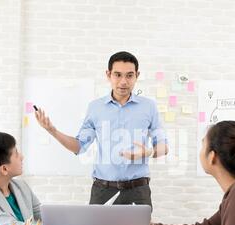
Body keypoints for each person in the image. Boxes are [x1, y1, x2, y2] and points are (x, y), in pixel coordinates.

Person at [35, 51, 168, 208]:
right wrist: (53, 131)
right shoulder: (95, 108)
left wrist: (148, 152)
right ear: (108, 74)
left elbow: (163, 147)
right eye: (117, 75)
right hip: (102, 190)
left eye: (129, 75)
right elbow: (79, 146)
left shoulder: (149, 106)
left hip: (138, 190)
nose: (123, 81)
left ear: (137, 75)